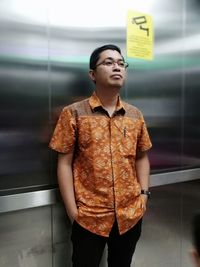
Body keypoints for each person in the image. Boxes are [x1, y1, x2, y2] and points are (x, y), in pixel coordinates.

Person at [49, 44, 152, 267]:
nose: (117, 67)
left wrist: (143, 196)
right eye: (108, 62)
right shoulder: (74, 113)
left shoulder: (135, 115)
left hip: (130, 215)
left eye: (121, 63)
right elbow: (64, 163)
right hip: (89, 217)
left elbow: (141, 157)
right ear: (92, 74)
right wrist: (73, 212)